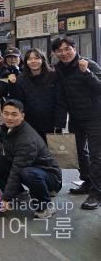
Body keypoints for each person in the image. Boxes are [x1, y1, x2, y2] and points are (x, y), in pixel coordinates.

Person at [0, 99, 62, 219]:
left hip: (50, 176)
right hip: (30, 169)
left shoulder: (26, 140)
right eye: (6, 113)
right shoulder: (11, 129)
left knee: (27, 173)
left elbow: (16, 171)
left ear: (22, 116)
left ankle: (45, 206)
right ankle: (19, 195)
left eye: (14, 114)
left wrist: (6, 199)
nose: (9, 118)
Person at [52, 36, 101, 210]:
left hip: (95, 116)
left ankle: (97, 193)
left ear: (74, 49)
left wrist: (86, 72)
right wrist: (59, 123)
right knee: (79, 153)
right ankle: (87, 182)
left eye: (67, 49)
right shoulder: (58, 69)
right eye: (59, 50)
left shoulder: (88, 64)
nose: (64, 53)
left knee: (96, 156)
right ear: (55, 53)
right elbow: (61, 98)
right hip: (75, 117)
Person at [9, 48, 66, 141]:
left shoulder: (53, 76)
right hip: (29, 124)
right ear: (26, 62)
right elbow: (18, 102)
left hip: (51, 124)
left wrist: (60, 123)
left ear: (42, 60)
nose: (33, 61)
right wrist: (12, 85)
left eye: (36, 58)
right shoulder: (20, 79)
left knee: (52, 149)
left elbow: (60, 100)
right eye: (30, 59)